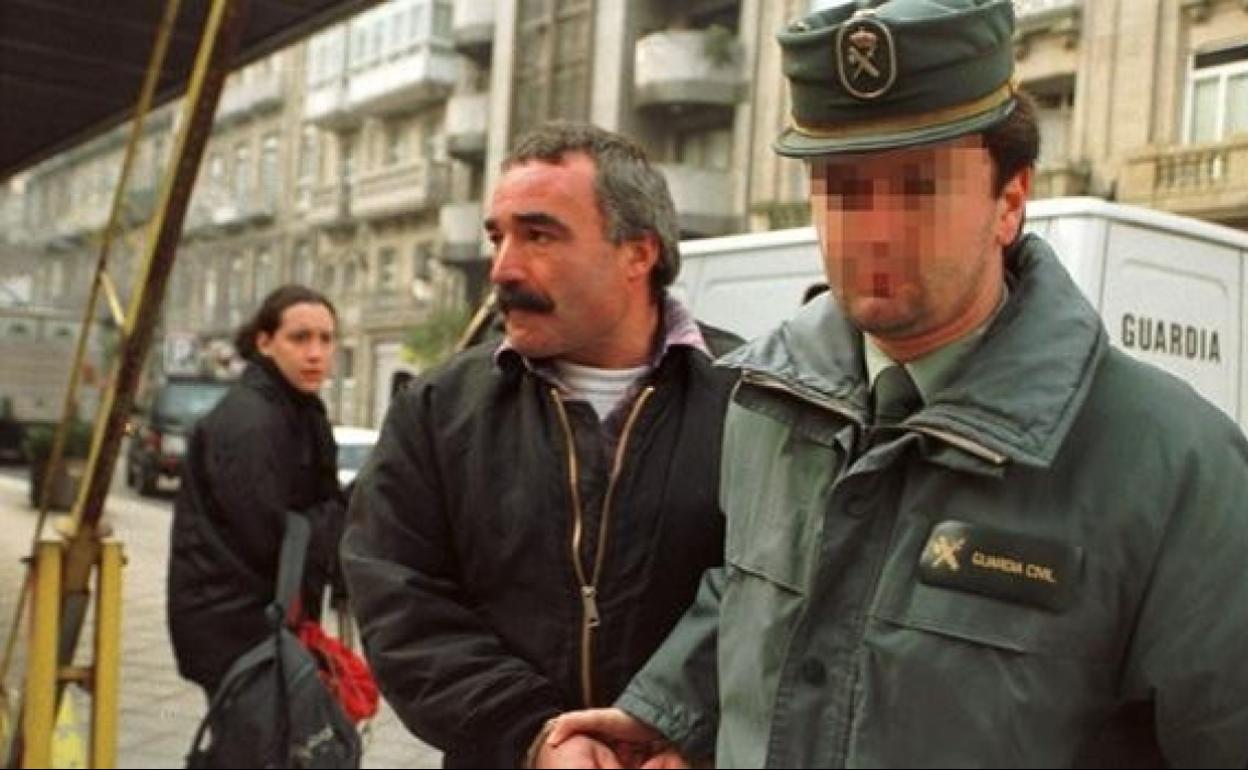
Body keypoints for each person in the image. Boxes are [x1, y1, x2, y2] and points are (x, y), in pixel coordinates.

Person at [543, 1, 1248, 766]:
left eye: (918, 185)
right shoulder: (766, 404)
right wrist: (670, 714)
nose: (872, 229)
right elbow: (754, 597)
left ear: (1009, 202)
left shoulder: (1178, 468)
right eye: (842, 185)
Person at [338, 121, 741, 768]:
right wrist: (536, 734)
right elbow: (400, 602)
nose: (503, 268)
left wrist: (691, 730)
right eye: (497, 237)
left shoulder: (752, 401)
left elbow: (786, 596)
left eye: (539, 235)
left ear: (638, 253)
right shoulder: (439, 409)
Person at [168, 284, 347, 698]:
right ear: (265, 343)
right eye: (300, 338)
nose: (316, 353)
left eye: (326, 339)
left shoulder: (296, 408)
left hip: (259, 623)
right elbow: (270, 533)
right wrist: (350, 512)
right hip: (238, 632)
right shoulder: (251, 421)